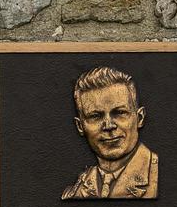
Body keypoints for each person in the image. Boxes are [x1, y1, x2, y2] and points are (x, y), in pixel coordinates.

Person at [61, 66, 159, 200]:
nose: (109, 126)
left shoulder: (163, 175)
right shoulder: (74, 192)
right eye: (95, 116)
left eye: (119, 113)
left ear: (140, 118)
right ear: (80, 126)